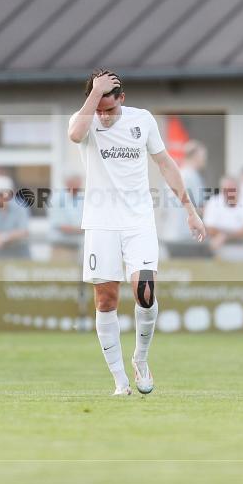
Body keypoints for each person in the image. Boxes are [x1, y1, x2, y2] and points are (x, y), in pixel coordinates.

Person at [68, 69, 205, 396]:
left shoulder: (141, 120)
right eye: (98, 106)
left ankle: (140, 359)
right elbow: (74, 135)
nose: (104, 114)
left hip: (138, 221)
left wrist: (190, 210)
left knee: (145, 291)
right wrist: (95, 94)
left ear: (123, 99)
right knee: (106, 299)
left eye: (109, 107)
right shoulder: (85, 119)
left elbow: (166, 164)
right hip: (101, 222)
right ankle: (119, 381)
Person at [161, 140, 209, 257]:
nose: (204, 160)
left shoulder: (174, 175)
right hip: (186, 237)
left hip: (169, 235)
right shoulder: (192, 176)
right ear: (195, 156)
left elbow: (163, 211)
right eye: (203, 156)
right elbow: (201, 207)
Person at [203, 176, 243, 261]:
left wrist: (224, 236)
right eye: (225, 190)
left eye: (232, 189)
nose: (229, 193)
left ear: (239, 189)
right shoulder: (214, 201)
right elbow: (209, 228)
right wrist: (231, 234)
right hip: (222, 260)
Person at [48, 172, 84, 261]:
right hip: (61, 249)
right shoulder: (57, 199)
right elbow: (62, 227)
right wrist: (84, 229)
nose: (79, 187)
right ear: (68, 183)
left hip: (76, 248)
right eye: (77, 184)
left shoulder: (79, 198)